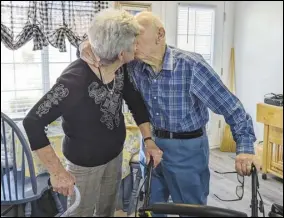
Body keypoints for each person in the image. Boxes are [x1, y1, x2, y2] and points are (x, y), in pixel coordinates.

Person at [80, 11, 258, 216]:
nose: (132, 43)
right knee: (151, 207)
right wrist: (84, 46)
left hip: (187, 150)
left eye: (137, 36)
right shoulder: (133, 65)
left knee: (192, 210)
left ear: (160, 35)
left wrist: (244, 148)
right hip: (151, 146)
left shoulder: (191, 66)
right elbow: (102, 50)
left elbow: (232, 108)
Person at [23, 9, 162, 217]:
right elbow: (32, 122)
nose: (137, 45)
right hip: (83, 165)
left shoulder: (120, 68)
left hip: (115, 158)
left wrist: (148, 139)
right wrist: (58, 172)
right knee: (81, 214)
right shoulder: (74, 81)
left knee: (107, 212)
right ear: (121, 53)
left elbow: (135, 102)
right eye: (135, 42)